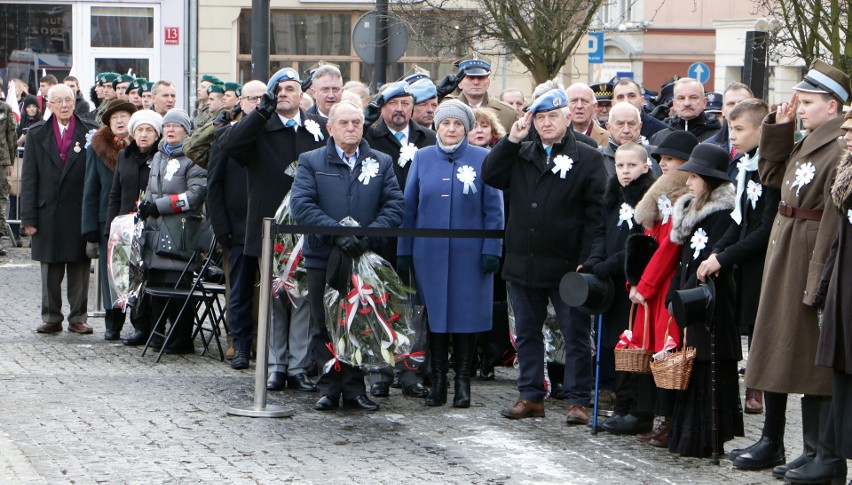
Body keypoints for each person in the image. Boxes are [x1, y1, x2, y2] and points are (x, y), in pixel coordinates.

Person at [742, 60, 849, 484]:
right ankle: (804, 450)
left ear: (832, 105)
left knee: (809, 358)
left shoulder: (838, 147)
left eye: (806, 102)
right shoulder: (809, 141)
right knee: (787, 348)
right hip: (788, 244)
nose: (799, 108)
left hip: (808, 252)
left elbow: (832, 218)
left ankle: (819, 451)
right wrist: (781, 128)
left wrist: (819, 272)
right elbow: (771, 175)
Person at [483, 88, 606, 425]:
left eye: (553, 116)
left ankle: (579, 399)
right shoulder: (520, 153)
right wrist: (511, 139)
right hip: (525, 260)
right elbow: (490, 175)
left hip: (568, 265)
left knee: (576, 334)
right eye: (540, 117)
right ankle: (530, 395)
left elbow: (597, 216)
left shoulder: (588, 157)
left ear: (567, 119)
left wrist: (589, 260)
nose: (547, 123)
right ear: (531, 121)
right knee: (527, 332)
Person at [290, 100, 405, 412]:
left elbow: (394, 204)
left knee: (359, 324)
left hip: (362, 257)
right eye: (344, 123)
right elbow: (302, 205)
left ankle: (354, 388)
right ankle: (329, 386)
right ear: (330, 127)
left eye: (356, 122)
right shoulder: (311, 160)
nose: (351, 127)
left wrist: (367, 236)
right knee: (323, 324)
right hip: (323, 257)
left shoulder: (381, 161)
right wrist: (339, 233)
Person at [218, 67, 327, 392]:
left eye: (290, 88)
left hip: (309, 227)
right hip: (270, 229)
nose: (284, 94)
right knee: (276, 298)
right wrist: (260, 110)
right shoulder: (258, 128)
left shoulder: (317, 128)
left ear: (301, 94)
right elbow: (230, 146)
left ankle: (297, 365)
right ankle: (276, 366)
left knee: (304, 299)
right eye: (277, 89)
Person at [397, 100, 504, 408]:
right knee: (436, 319)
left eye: (458, 124)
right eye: (446, 124)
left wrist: (492, 249)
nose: (451, 129)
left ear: (466, 128)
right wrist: (405, 249)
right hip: (428, 253)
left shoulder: (483, 157)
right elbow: (410, 207)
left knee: (466, 319)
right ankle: (439, 381)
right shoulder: (422, 157)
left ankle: (463, 383)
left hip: (470, 256)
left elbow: (494, 210)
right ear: (437, 127)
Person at [695, 99, 776, 426]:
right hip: (740, 254)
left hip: (762, 260)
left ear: (761, 129)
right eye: (730, 128)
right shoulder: (742, 163)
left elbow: (764, 227)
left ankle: (756, 386)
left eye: (740, 129)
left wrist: (725, 256)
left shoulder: (771, 168)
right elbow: (737, 219)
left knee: (760, 325)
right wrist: (716, 253)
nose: (733, 136)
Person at [664, 143, 743, 458]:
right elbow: (684, 258)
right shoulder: (691, 209)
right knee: (693, 365)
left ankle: (709, 436)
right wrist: (675, 294)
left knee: (709, 365)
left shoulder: (722, 214)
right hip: (690, 295)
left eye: (694, 177)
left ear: (709, 180)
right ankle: (688, 435)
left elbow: (718, 257)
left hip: (712, 301)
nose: (688, 183)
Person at [624, 130, 699, 446]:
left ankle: (669, 420)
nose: (664, 164)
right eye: (662, 159)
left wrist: (646, 284)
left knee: (667, 352)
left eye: (670, 159)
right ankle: (660, 418)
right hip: (654, 283)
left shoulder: (683, 199)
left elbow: (669, 247)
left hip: (665, 283)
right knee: (656, 351)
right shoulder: (664, 195)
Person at [581, 142, 656, 421]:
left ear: (645, 166)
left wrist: (611, 264)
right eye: (620, 165)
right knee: (613, 341)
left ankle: (631, 404)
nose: (625, 171)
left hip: (632, 280)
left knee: (631, 343)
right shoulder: (612, 193)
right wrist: (594, 259)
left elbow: (642, 242)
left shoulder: (648, 196)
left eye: (632, 165)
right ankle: (618, 397)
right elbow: (602, 230)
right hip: (610, 279)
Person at [20, 84, 98, 334]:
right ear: (49, 105)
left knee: (79, 267)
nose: (65, 105)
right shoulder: (37, 133)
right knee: (50, 268)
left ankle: (78, 317)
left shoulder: (90, 132)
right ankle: (52, 316)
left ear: (75, 102)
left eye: (69, 100)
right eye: (58, 101)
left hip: (79, 211)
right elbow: (29, 178)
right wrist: (28, 217)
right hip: (48, 212)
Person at [137, 108, 207, 354]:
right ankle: (157, 335)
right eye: (167, 126)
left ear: (186, 131)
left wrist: (161, 206)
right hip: (155, 233)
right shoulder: (158, 156)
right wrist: (145, 206)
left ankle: (180, 339)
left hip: (180, 235)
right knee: (155, 287)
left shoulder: (194, 158)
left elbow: (196, 194)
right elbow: (150, 189)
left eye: (176, 126)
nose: (170, 130)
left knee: (178, 288)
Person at [207, 79, 266, 370]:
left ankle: (265, 344)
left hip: (270, 227)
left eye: (261, 98)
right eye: (251, 99)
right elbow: (214, 184)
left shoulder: (274, 135)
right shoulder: (226, 136)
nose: (257, 103)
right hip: (238, 227)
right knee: (240, 290)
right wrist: (221, 226)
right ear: (241, 103)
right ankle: (240, 344)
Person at [814, 109, 852, 483]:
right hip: (846, 285)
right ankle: (836, 459)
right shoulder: (847, 176)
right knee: (844, 375)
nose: (847, 137)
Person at [107, 110, 163, 346]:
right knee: (128, 275)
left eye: (149, 130)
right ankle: (133, 324)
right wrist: (112, 226)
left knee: (147, 276)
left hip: (151, 225)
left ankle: (149, 326)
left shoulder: (161, 156)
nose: (143, 134)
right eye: (139, 129)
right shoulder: (124, 156)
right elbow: (115, 193)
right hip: (125, 225)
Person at [82, 99, 137, 340]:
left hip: (137, 219)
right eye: (114, 118)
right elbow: (90, 189)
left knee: (136, 272)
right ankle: (112, 321)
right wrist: (90, 229)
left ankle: (140, 321)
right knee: (111, 275)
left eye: (124, 116)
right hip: (109, 220)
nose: (120, 121)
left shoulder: (144, 145)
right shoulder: (98, 148)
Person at [705, 82, 754, 180]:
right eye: (731, 104)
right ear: (723, 110)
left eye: (742, 103)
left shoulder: (763, 147)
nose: (736, 108)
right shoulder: (708, 147)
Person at [452, 57, 516, 132]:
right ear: (459, 83)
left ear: (488, 82)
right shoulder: (448, 108)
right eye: (470, 78)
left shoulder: (508, 113)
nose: (476, 82)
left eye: (481, 77)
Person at [650, 78, 721, 144]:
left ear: (704, 102)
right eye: (681, 98)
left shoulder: (719, 138)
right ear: (674, 103)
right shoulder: (659, 139)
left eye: (693, 98)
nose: (687, 103)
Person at [600, 102, 661, 177]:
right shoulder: (595, 157)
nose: (626, 130)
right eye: (620, 124)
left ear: (640, 126)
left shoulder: (657, 156)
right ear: (608, 127)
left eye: (631, 124)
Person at [0, 94, 17, 256]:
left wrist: (10, 161)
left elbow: (12, 136)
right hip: (3, 160)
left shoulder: (4, 108)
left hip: (2, 162)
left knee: (1, 200)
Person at [567, 83, 609, 147]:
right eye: (574, 101)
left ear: (594, 107)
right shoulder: (556, 137)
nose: (579, 106)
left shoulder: (608, 138)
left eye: (585, 101)